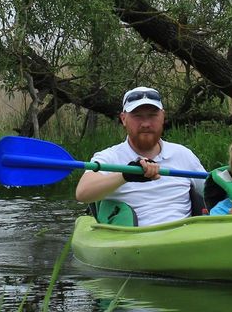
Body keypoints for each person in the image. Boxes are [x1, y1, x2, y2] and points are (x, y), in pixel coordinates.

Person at [75, 86, 206, 226]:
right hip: (134, 240)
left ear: (163, 116)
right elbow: (83, 193)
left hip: (185, 237)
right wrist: (125, 176)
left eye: (152, 115)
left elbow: (212, 189)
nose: (146, 124)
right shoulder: (108, 157)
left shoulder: (183, 154)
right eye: (137, 116)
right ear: (123, 119)